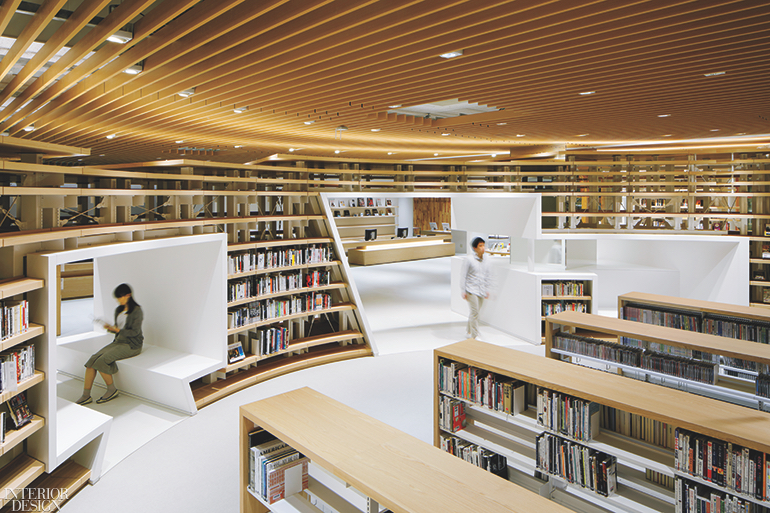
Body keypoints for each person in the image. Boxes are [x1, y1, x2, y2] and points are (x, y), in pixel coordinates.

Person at [76, 284, 144, 405]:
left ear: (128, 295)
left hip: (132, 345)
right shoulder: (119, 310)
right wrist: (110, 328)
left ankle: (111, 390)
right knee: (91, 361)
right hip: (119, 341)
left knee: (101, 361)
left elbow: (135, 332)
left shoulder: (137, 311)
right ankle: (85, 395)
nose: (119, 300)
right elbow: (118, 329)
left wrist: (117, 330)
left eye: (120, 297)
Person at [459, 237, 492, 339]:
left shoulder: (486, 259)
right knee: (475, 312)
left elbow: (487, 275)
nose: (483, 248)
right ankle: (475, 335)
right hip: (471, 289)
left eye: (483, 245)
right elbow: (463, 275)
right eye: (480, 246)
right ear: (474, 248)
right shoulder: (469, 259)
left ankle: (468, 330)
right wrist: (463, 290)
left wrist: (487, 289)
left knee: (475, 312)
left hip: (481, 290)